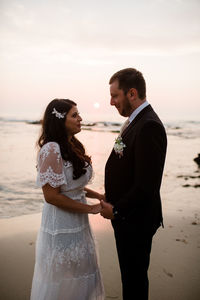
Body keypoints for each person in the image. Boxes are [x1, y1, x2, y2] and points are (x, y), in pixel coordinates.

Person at [100, 68, 167, 300]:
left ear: (131, 93)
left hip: (135, 219)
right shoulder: (133, 121)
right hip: (127, 217)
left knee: (135, 281)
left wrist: (117, 210)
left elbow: (147, 185)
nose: (111, 102)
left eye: (115, 95)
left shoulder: (149, 126)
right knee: (130, 278)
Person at [30, 99, 105, 300]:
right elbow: (52, 196)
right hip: (61, 226)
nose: (80, 118)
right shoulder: (51, 149)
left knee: (82, 277)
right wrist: (91, 209)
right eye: (74, 115)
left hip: (79, 223)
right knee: (63, 281)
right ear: (60, 120)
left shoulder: (71, 145)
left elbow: (72, 186)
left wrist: (98, 196)